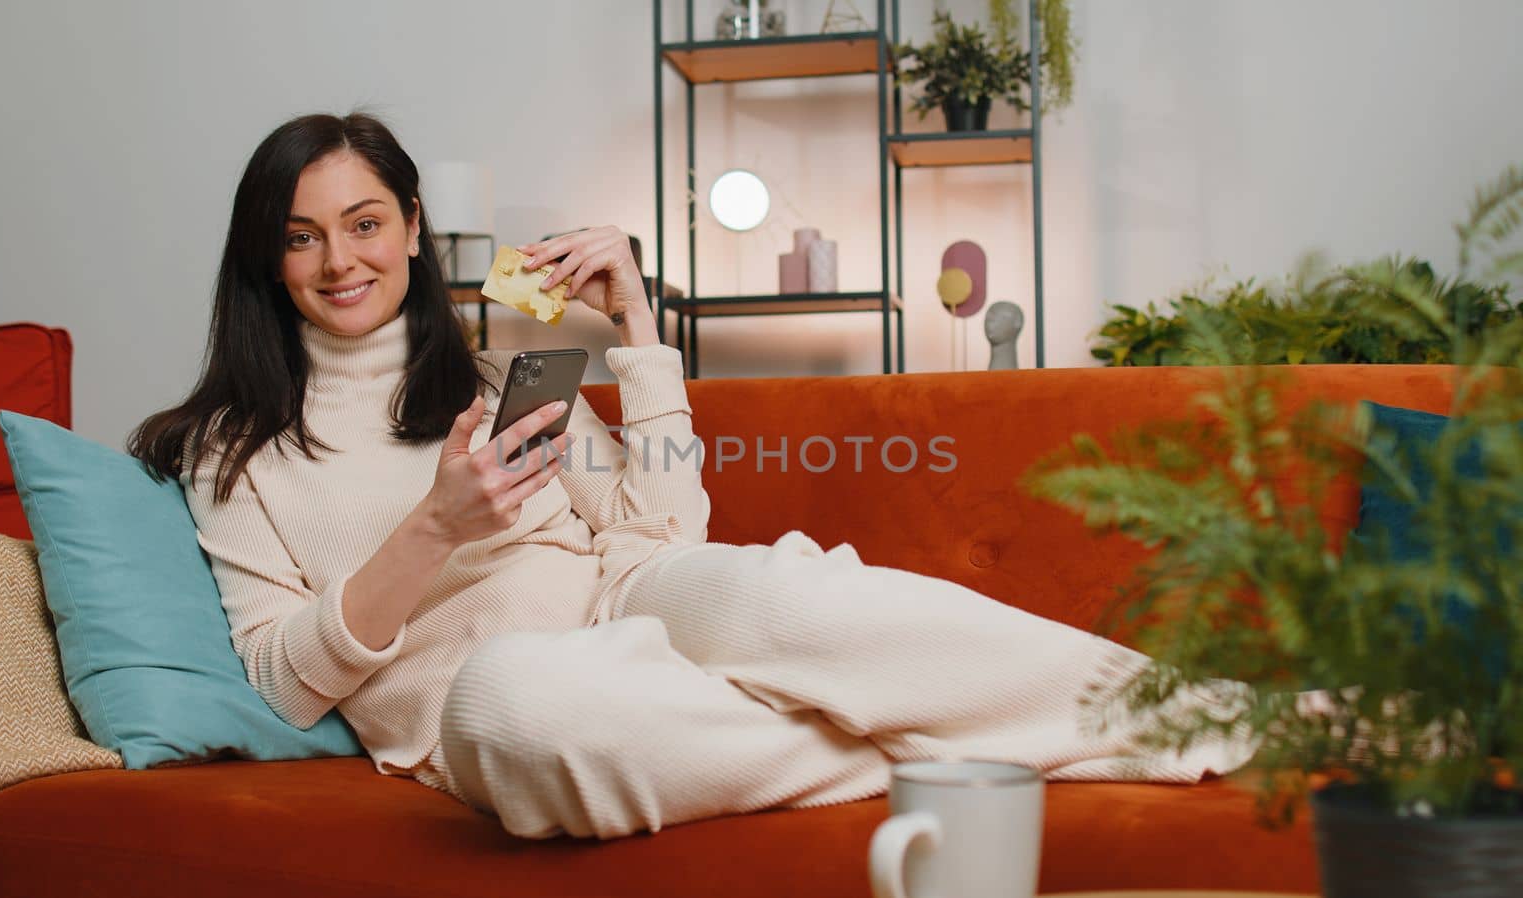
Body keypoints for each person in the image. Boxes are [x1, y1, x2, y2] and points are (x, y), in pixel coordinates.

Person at [131, 112, 1254, 841]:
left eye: (367, 222)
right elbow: (278, 684)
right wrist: (434, 526)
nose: (341, 261)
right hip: (509, 706)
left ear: (414, 226)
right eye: (301, 236)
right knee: (514, 701)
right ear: (264, 261)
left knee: (776, 589)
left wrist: (637, 325)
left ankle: (1226, 718)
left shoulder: (491, 363)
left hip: (633, 606)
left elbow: (659, 533)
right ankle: (943, 733)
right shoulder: (227, 447)